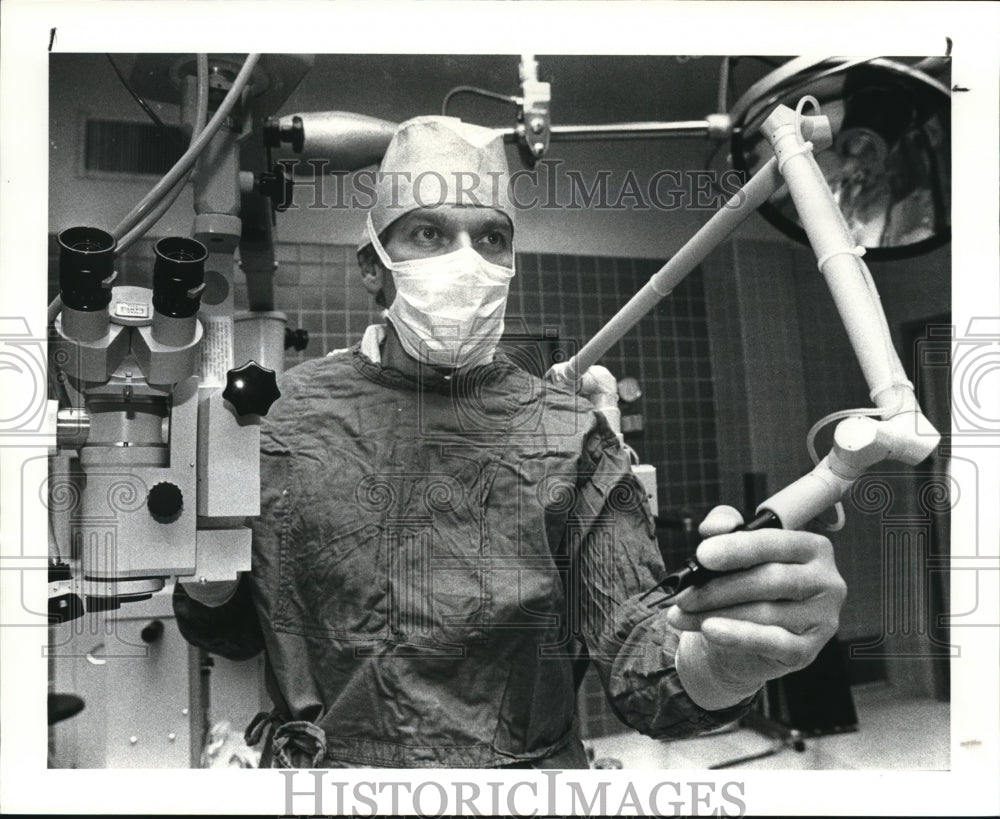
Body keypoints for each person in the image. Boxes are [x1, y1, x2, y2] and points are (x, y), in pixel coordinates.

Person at [173, 116, 846, 769]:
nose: (467, 263)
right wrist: (203, 582)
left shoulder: (569, 433)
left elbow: (640, 650)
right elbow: (237, 631)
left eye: (491, 238)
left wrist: (725, 662)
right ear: (372, 268)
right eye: (429, 233)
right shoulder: (282, 421)